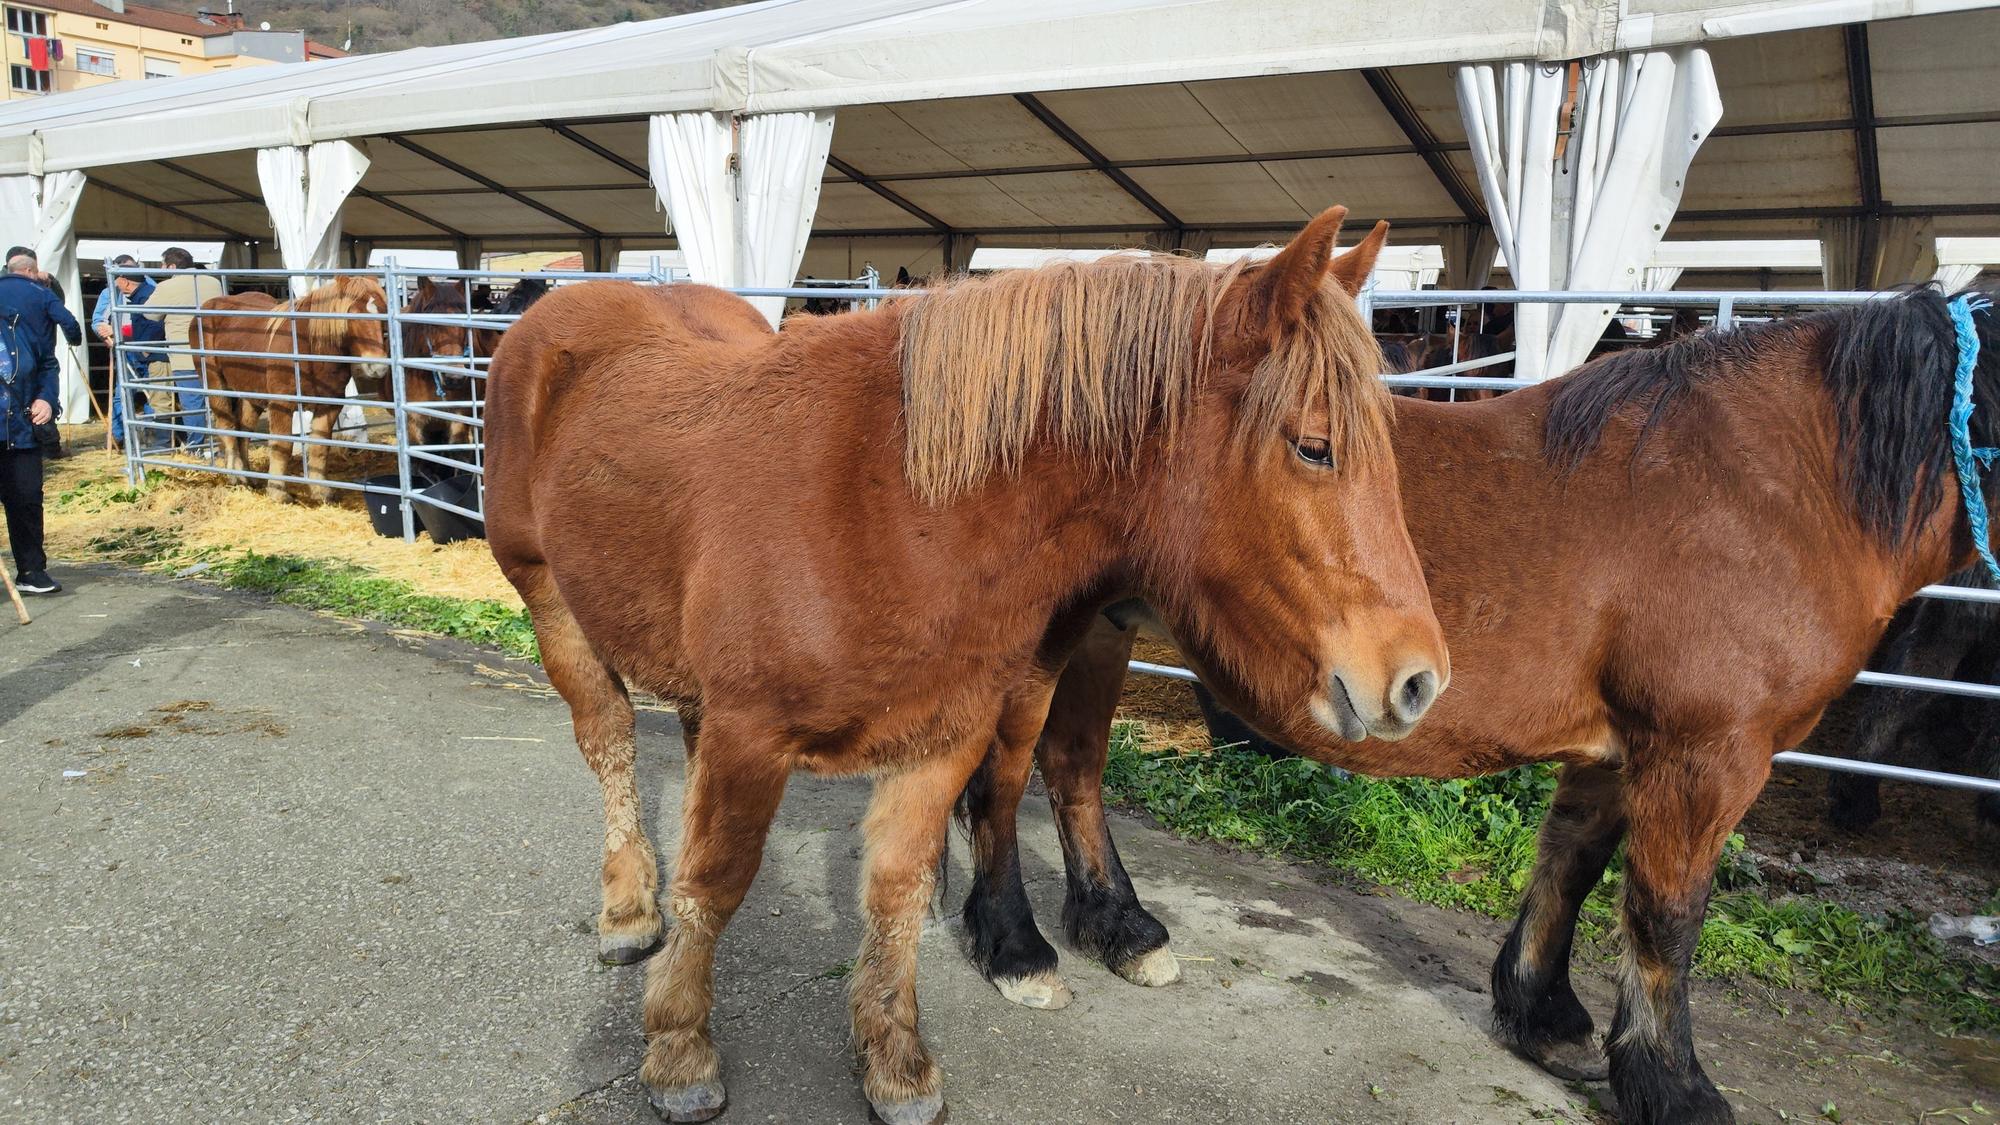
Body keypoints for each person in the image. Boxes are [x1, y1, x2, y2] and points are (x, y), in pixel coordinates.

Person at [0, 251, 82, 594]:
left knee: (27, 499)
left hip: (20, 428)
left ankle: (32, 571)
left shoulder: (20, 325)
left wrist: (47, 398)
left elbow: (48, 363)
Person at [139, 246, 224, 451]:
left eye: (163, 265)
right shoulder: (213, 281)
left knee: (192, 403)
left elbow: (149, 315)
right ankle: (223, 445)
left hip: (185, 353)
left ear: (172, 266)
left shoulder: (168, 286)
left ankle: (197, 448)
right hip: (216, 352)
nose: (161, 269)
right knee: (220, 401)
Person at [92, 254, 165, 451]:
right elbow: (98, 320)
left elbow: (151, 323)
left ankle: (153, 434)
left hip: (147, 347)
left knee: (154, 392)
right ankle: (119, 436)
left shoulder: (150, 288)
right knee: (123, 393)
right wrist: (104, 333)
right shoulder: (110, 292)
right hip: (125, 349)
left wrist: (115, 331)